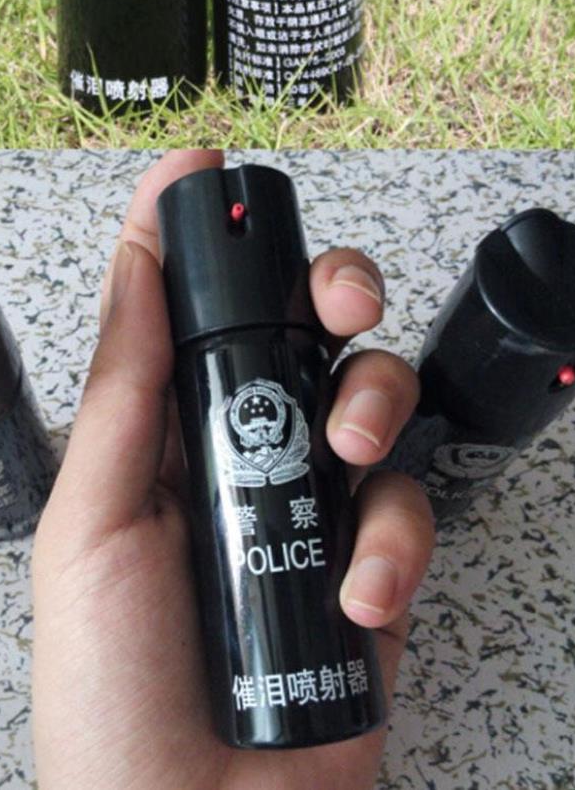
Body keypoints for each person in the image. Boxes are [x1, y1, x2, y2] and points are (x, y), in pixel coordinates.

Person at [32, 150, 435, 790]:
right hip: (220, 715)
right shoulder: (191, 372)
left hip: (312, 693)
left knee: (355, 442)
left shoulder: (287, 347)